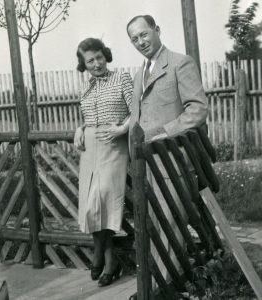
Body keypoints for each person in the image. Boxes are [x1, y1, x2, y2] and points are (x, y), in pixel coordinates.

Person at [126, 15, 208, 283]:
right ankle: (159, 283)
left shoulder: (179, 63)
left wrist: (163, 132)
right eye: (135, 38)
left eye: (144, 34)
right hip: (144, 165)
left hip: (171, 161)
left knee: (171, 223)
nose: (141, 42)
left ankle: (168, 285)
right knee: (150, 224)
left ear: (157, 30)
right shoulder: (139, 73)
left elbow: (197, 110)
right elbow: (138, 118)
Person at [74, 38, 133, 287]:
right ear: (84, 64)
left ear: (105, 55)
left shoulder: (122, 78)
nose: (96, 64)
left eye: (99, 57)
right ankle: (109, 258)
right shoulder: (86, 88)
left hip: (113, 146)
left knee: (104, 201)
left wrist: (121, 129)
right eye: (90, 61)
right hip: (90, 149)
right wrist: (80, 128)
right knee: (90, 205)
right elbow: (88, 116)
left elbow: (137, 110)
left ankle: (99, 254)